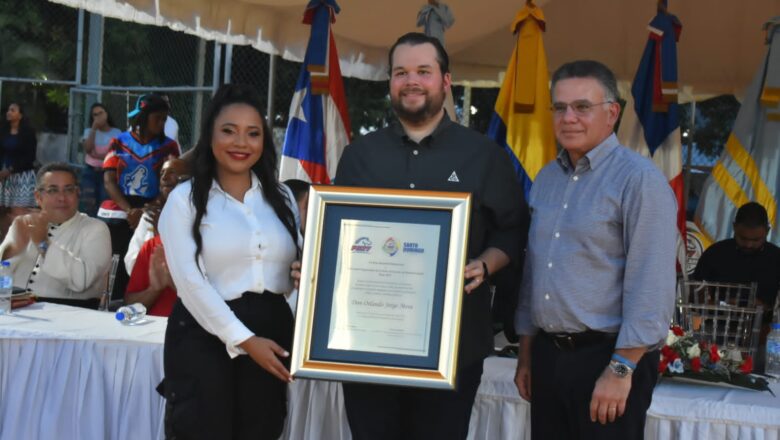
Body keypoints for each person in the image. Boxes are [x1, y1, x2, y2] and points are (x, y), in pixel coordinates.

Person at [309, 32, 525, 440]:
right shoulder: (360, 155)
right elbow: (335, 233)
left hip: (453, 348)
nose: (412, 81)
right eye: (401, 72)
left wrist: (486, 262)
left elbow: (513, 230)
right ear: (389, 81)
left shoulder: (484, 155)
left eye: (424, 72)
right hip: (366, 346)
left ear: (445, 81)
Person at [514, 60, 678, 439]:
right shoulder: (547, 178)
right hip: (548, 357)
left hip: (610, 359)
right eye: (560, 107)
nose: (568, 117)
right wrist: (526, 353)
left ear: (612, 113)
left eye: (582, 107)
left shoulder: (639, 180)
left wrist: (621, 370)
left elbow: (651, 287)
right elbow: (533, 272)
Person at [158, 84, 300, 439]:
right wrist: (245, 340)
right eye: (229, 131)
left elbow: (298, 271)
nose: (241, 143)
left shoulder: (281, 196)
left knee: (263, 429)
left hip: (272, 335)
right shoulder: (184, 200)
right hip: (204, 336)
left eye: (253, 133)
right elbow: (190, 284)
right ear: (209, 136)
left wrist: (304, 282)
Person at [100, 93, 179, 300]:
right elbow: (109, 180)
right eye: (158, 118)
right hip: (120, 209)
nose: (162, 123)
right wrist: (129, 211)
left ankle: (136, 298)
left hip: (152, 208)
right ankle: (111, 300)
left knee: (142, 258)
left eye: (164, 119)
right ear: (143, 117)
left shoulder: (169, 146)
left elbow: (170, 183)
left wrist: (145, 211)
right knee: (114, 258)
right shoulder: (119, 142)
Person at [0, 163, 111, 309]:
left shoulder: (95, 228)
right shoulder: (23, 223)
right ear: (38, 197)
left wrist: (43, 243)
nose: (62, 198)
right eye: (53, 190)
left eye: (69, 190)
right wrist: (10, 251)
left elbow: (82, 281)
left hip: (71, 314)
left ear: (78, 194)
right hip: (15, 310)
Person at [124, 157, 189, 316]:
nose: (166, 178)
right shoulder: (149, 217)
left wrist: (164, 233)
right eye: (162, 174)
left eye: (173, 173)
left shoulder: (207, 230)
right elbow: (132, 265)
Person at [692, 202, 780, 311]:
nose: (748, 244)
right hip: (715, 324)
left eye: (756, 240)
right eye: (743, 238)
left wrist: (764, 308)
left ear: (767, 231)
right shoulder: (715, 254)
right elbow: (695, 298)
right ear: (734, 227)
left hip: (767, 326)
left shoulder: (777, 258)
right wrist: (724, 305)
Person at [0, 102, 38, 236]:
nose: (9, 113)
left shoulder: (28, 133)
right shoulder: (3, 131)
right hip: (3, 176)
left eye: (13, 110)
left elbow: (30, 157)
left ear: (20, 115)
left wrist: (10, 169)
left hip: (22, 176)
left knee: (18, 212)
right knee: (3, 210)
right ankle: (4, 242)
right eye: (8, 110)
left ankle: (19, 242)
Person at [80, 103, 122, 216]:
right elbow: (88, 149)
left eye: (101, 113)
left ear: (106, 114)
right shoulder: (89, 131)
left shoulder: (116, 132)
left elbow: (115, 154)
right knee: (88, 203)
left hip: (107, 172)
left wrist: (98, 155)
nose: (98, 116)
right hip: (90, 171)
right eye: (95, 115)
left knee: (104, 201)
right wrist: (94, 128)